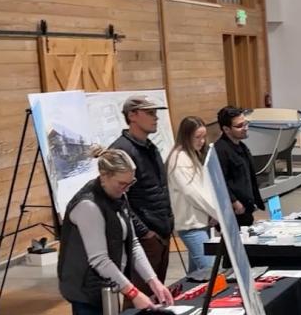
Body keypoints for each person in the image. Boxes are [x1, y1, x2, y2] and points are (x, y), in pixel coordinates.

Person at [58, 146, 175, 315]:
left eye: (131, 183)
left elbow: (133, 243)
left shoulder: (120, 195)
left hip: (108, 286)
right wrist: (133, 293)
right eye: (122, 183)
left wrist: (154, 281)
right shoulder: (88, 205)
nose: (126, 188)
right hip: (87, 290)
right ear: (104, 176)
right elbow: (99, 259)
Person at [112, 94, 173, 285]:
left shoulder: (150, 147)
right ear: (132, 115)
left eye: (155, 113)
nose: (155, 118)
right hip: (145, 237)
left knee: (157, 293)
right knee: (140, 297)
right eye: (150, 113)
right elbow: (118, 199)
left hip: (160, 231)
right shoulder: (121, 151)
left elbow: (159, 188)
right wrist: (144, 231)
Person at [165, 116, 218, 273]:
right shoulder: (179, 159)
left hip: (201, 222)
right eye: (197, 137)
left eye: (203, 137)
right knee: (210, 270)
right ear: (186, 136)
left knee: (196, 275)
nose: (202, 141)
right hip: (192, 226)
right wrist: (218, 213)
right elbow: (194, 193)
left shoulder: (192, 155)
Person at [213, 106, 264, 227]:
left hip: (246, 208)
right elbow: (219, 181)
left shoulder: (242, 146)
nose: (245, 128)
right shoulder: (220, 150)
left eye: (246, 123)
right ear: (226, 129)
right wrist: (234, 202)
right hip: (234, 212)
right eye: (239, 126)